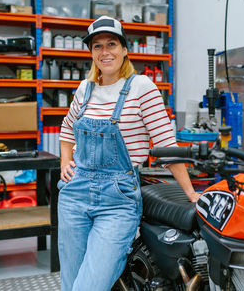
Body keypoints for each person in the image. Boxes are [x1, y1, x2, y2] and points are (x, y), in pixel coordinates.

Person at [57, 16, 200, 291]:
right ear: (91, 53)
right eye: (97, 46)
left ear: (124, 49)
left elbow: (166, 145)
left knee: (89, 285)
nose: (104, 52)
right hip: (75, 194)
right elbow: (67, 128)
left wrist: (191, 193)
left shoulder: (142, 87)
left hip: (117, 199)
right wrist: (65, 160)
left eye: (111, 44)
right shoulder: (85, 89)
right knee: (71, 282)